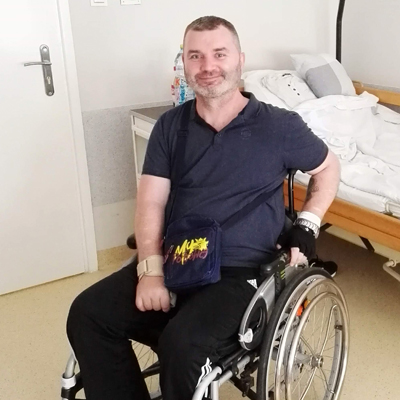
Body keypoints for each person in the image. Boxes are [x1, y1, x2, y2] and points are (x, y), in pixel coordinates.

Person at [66, 16, 340, 400]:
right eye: (195, 56)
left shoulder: (279, 127)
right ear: (184, 63)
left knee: (182, 345)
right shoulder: (170, 127)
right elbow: (151, 201)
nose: (208, 66)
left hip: (240, 273)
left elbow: (328, 167)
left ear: (240, 59)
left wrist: (307, 224)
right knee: (87, 313)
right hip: (177, 258)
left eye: (219, 54)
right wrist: (150, 270)